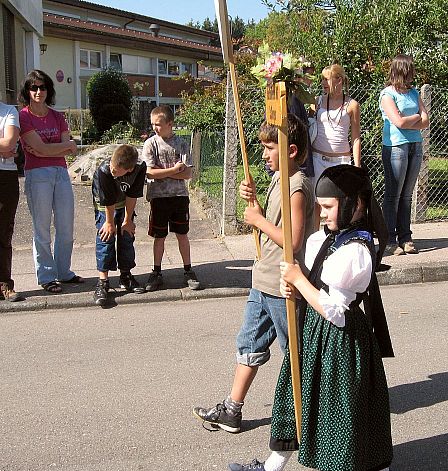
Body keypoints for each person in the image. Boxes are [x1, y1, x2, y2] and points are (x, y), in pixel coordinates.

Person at [228, 165, 395, 471]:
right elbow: (309, 280)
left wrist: (298, 280)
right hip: (315, 332)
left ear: (355, 204)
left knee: (339, 411)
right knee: (296, 396)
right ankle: (271, 469)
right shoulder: (326, 238)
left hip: (341, 341)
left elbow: (336, 310)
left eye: (329, 207)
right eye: (321, 206)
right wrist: (291, 285)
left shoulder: (357, 251)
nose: (322, 214)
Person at [192, 115, 315, 433]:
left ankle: (311, 412)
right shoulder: (278, 178)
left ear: (290, 150)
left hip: (282, 284)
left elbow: (295, 240)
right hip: (262, 280)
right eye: (261, 147)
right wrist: (254, 202)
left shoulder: (298, 185)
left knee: (297, 353)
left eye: (269, 147)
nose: (263, 154)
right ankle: (232, 410)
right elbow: (270, 221)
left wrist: (258, 219)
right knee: (249, 343)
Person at [19, 70, 81, 293]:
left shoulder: (57, 116)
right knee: (42, 228)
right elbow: (61, 147)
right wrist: (60, 147)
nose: (38, 91)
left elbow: (61, 148)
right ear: (27, 91)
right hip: (38, 175)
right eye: (33, 87)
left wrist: (46, 149)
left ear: (48, 90)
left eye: (42, 87)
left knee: (66, 225)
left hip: (60, 173)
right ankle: (46, 275)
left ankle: (64, 272)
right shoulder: (23, 116)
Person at [142, 105, 201, 292]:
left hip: (179, 197)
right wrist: (175, 170)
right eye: (153, 124)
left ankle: (188, 270)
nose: (155, 128)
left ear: (170, 123)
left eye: (158, 124)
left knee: (182, 234)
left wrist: (165, 173)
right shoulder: (150, 144)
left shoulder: (182, 144)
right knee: (159, 236)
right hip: (158, 198)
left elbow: (188, 174)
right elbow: (150, 173)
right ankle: (157, 272)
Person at [379, 54, 429, 256]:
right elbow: (397, 122)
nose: (412, 74)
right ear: (402, 70)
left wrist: (412, 119)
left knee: (407, 196)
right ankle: (389, 239)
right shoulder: (387, 94)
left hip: (415, 145)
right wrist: (415, 117)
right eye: (410, 70)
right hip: (396, 147)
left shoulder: (414, 92)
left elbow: (426, 120)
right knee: (393, 195)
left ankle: (405, 238)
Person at [92, 144, 147, 306]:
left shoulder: (138, 168)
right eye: (113, 167)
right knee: (106, 237)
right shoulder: (104, 171)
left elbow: (133, 194)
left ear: (129, 170)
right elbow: (107, 201)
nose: (113, 170)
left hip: (124, 202)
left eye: (117, 170)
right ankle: (103, 281)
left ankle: (126, 276)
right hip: (105, 205)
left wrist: (128, 220)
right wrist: (109, 223)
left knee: (127, 235)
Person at [311, 64, 361, 226]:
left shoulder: (352, 105)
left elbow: (355, 138)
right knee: (317, 203)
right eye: (322, 79)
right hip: (318, 159)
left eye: (327, 79)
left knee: (340, 202)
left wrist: (357, 166)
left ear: (338, 80)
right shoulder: (317, 102)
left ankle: (339, 238)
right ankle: (316, 242)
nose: (323, 83)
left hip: (341, 161)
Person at [0, 100, 24, 301]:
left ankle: (4, 283)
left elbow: (9, 143)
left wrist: (6, 146)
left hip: (5, 177)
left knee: (4, 232)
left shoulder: (9, 111)